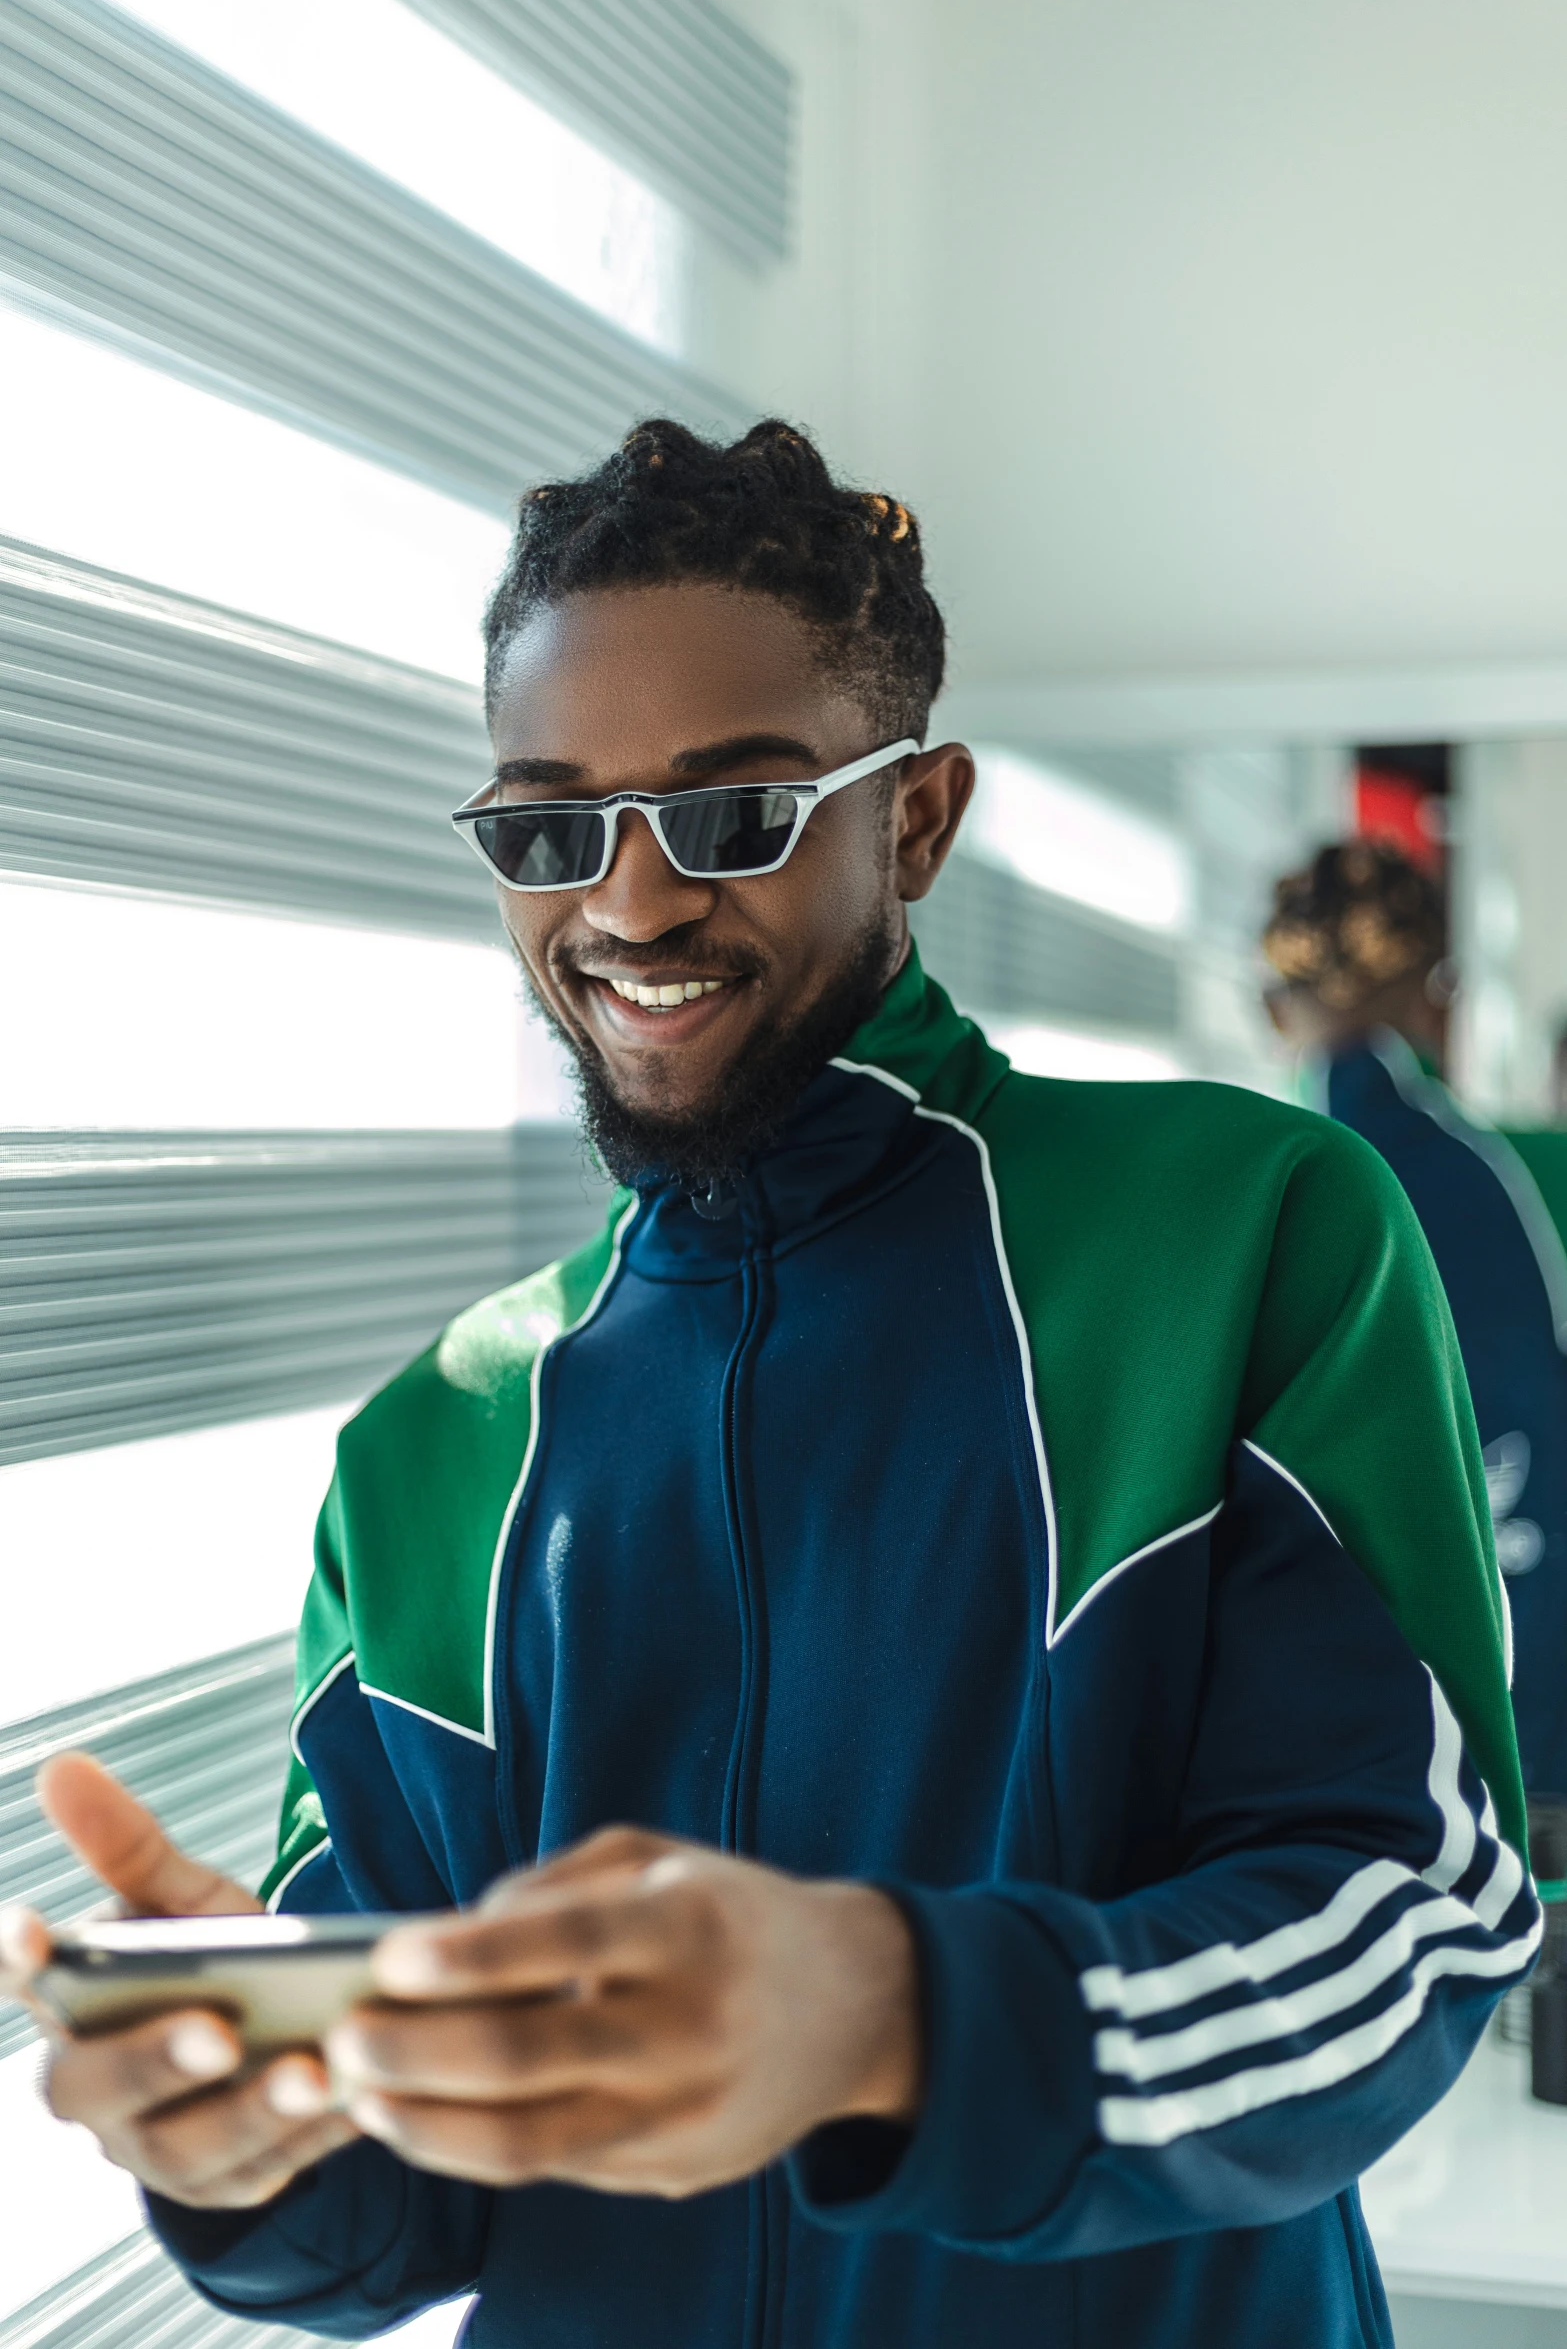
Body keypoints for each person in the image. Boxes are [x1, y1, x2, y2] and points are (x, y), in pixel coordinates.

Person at [0, 423, 1538, 2349]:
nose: (628, 909)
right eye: (549, 830)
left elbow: (1409, 1928)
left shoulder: (1245, 1232)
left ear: (915, 818)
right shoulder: (434, 1444)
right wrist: (241, 2132)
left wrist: (884, 2014)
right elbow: (391, 2212)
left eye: (732, 814)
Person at [1263, 840, 1567, 1800]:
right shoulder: (1519, 1175)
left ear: (1271, 1008)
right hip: (1535, 1698)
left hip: (1325, 1724)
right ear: (1444, 996)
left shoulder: (1248, 1179)